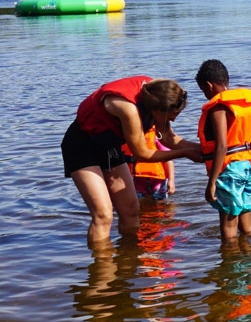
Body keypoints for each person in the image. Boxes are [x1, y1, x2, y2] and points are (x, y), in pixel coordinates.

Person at [62, 76, 202, 244]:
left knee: (131, 211)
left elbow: (168, 138)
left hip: (109, 145)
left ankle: (128, 260)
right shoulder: (128, 109)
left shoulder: (158, 94)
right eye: (172, 116)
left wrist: (206, 149)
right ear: (157, 110)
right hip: (81, 145)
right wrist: (185, 153)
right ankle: (102, 267)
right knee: (103, 215)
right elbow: (142, 153)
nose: (173, 120)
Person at [194, 60, 251, 242]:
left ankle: (229, 266)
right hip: (250, 165)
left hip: (230, 169)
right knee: (247, 224)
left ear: (208, 85)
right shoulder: (245, 105)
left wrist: (212, 181)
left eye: (203, 90)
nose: (205, 95)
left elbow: (222, 146)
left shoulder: (218, 108)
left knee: (228, 225)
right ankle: (250, 262)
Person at [130, 129, 175, 201]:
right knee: (139, 205)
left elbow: (168, 159)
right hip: (138, 180)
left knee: (161, 205)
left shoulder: (157, 135)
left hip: (158, 179)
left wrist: (171, 180)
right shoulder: (128, 136)